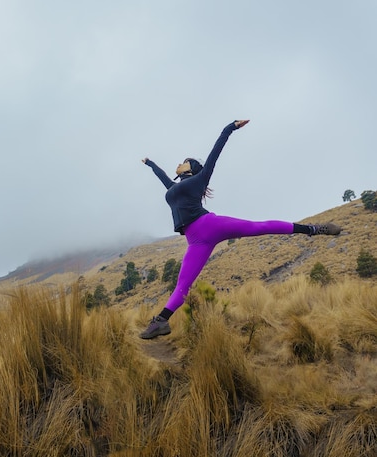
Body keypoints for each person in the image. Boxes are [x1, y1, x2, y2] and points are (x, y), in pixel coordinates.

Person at [140, 120, 341, 339]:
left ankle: (313, 229)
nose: (180, 163)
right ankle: (161, 322)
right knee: (183, 284)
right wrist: (150, 163)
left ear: (194, 168)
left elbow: (216, 152)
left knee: (259, 227)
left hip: (209, 225)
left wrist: (229, 128)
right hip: (195, 241)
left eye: (185, 161)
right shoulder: (174, 188)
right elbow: (163, 178)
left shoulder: (200, 179)